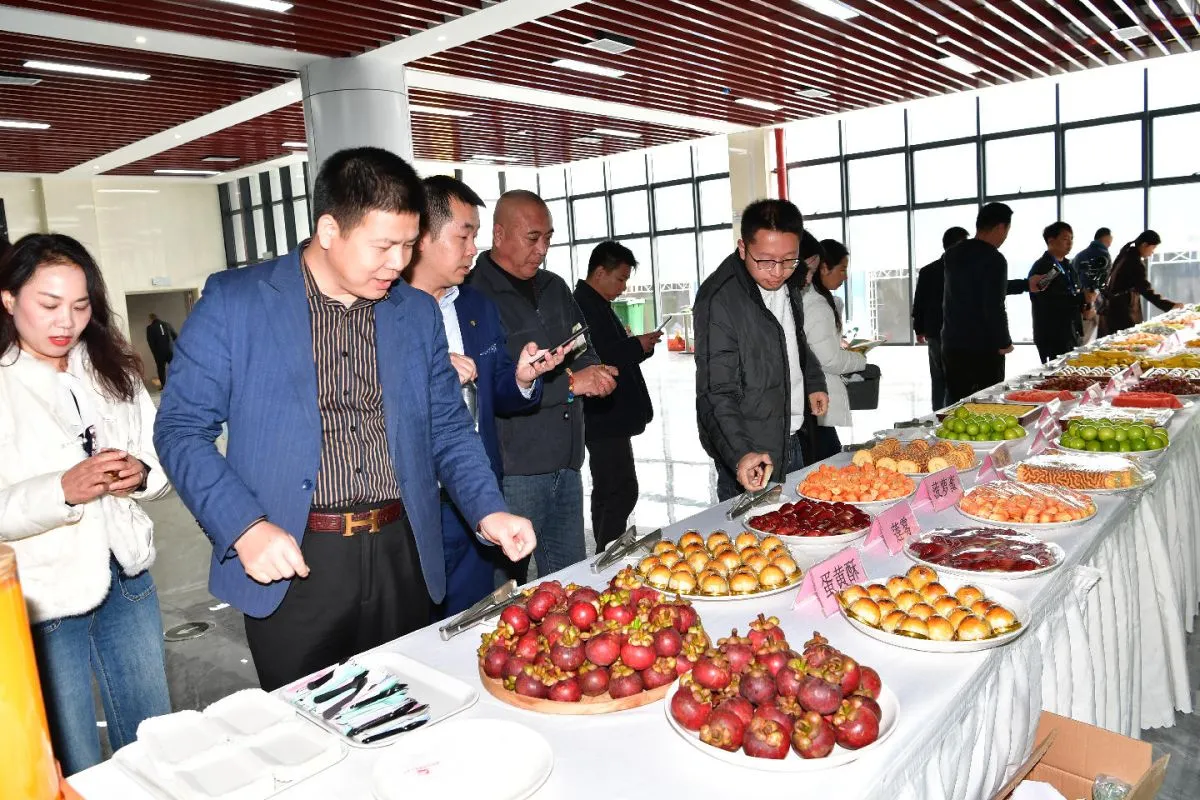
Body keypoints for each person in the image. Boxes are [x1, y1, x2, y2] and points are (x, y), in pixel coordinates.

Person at [154, 148, 537, 691]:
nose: (398, 263)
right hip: (295, 560)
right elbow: (180, 430)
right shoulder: (237, 303)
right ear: (329, 230)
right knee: (310, 724)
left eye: (409, 245)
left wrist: (488, 510)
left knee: (404, 713)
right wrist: (244, 527)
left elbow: (448, 429)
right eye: (382, 246)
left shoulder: (414, 312)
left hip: (403, 552)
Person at [0, 233, 171, 775]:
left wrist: (140, 474)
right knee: (68, 756)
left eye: (80, 306)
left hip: (127, 576)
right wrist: (61, 491)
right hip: (44, 599)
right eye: (49, 304)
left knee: (152, 738)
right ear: (8, 298)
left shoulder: (110, 368)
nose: (66, 322)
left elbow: (160, 457)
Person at [405, 175, 563, 617]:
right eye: (464, 236)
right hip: (413, 506)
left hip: (474, 498)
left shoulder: (476, 307)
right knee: (415, 626)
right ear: (422, 236)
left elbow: (494, 392)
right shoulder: (384, 312)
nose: (474, 249)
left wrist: (522, 379)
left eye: (475, 236)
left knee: (473, 618)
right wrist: (429, 370)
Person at [468, 189, 616, 582]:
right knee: (503, 588)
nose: (542, 249)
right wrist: (572, 384)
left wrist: (594, 371)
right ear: (499, 235)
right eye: (532, 238)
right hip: (515, 472)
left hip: (566, 463)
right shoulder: (474, 296)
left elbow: (581, 344)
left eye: (548, 238)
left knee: (570, 582)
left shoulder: (554, 287)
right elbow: (491, 386)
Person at [694, 199, 829, 502]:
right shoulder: (718, 300)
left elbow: (793, 338)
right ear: (743, 248)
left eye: (789, 259)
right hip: (752, 452)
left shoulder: (789, 279)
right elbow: (716, 391)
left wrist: (814, 380)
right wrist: (741, 452)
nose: (777, 272)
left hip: (791, 433)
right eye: (766, 261)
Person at [573, 241, 660, 553]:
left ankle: (605, 548)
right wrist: (636, 346)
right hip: (602, 418)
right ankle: (609, 552)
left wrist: (640, 348)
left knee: (609, 488)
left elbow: (614, 354)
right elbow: (598, 358)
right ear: (600, 273)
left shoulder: (598, 304)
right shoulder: (582, 306)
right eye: (620, 279)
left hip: (610, 417)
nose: (623, 287)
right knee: (620, 490)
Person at [941, 202, 1044, 403]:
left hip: (952, 344)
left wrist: (1025, 284)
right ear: (1000, 227)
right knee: (986, 403)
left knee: (955, 402)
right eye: (1007, 230)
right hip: (981, 348)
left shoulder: (953, 254)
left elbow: (979, 288)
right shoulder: (994, 258)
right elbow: (994, 304)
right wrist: (1004, 342)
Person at [802, 239, 866, 461]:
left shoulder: (817, 300)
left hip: (811, 397)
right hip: (815, 398)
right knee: (826, 460)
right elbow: (828, 360)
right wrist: (860, 360)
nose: (845, 277)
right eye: (842, 269)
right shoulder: (817, 304)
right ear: (823, 268)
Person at [911, 226, 968, 411]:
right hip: (956, 333)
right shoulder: (963, 271)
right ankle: (955, 415)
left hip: (935, 331)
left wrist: (919, 328)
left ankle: (938, 415)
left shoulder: (929, 270)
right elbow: (920, 302)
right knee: (957, 378)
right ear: (958, 245)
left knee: (938, 378)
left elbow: (919, 302)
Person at [1099, 230, 1183, 335]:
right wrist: (1169, 305)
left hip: (1114, 307)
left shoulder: (1127, 253)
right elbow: (1145, 289)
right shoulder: (1134, 262)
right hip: (1122, 310)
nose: (1152, 252)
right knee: (1125, 339)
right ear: (1144, 245)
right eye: (1153, 248)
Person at [1028, 221, 1088, 363]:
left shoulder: (1068, 266)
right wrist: (1081, 298)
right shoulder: (1045, 267)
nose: (1070, 243)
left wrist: (1084, 306)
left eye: (1071, 239)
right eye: (1065, 239)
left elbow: (1075, 291)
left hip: (1071, 331)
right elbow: (1048, 299)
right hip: (1052, 334)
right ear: (1051, 241)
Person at [1073, 226, 1113, 343]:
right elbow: (1104, 281)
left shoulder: (1080, 255)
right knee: (1093, 339)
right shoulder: (1104, 255)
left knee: (1082, 337)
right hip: (1094, 301)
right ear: (1106, 238)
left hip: (1079, 299)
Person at [146, 312, 177, 389]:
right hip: (170, 350)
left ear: (151, 319)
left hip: (159, 353)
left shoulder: (150, 328)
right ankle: (177, 383)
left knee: (161, 369)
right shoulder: (167, 324)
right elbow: (175, 336)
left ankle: (164, 386)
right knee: (174, 367)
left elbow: (151, 343)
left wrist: (154, 354)